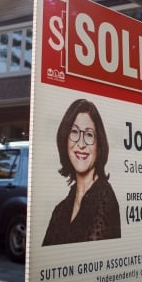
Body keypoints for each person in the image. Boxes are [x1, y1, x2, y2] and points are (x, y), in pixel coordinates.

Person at [42, 98, 121, 245]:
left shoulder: (105, 202)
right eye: (74, 132)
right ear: (65, 139)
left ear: (99, 145)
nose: (81, 143)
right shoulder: (60, 210)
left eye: (89, 134)